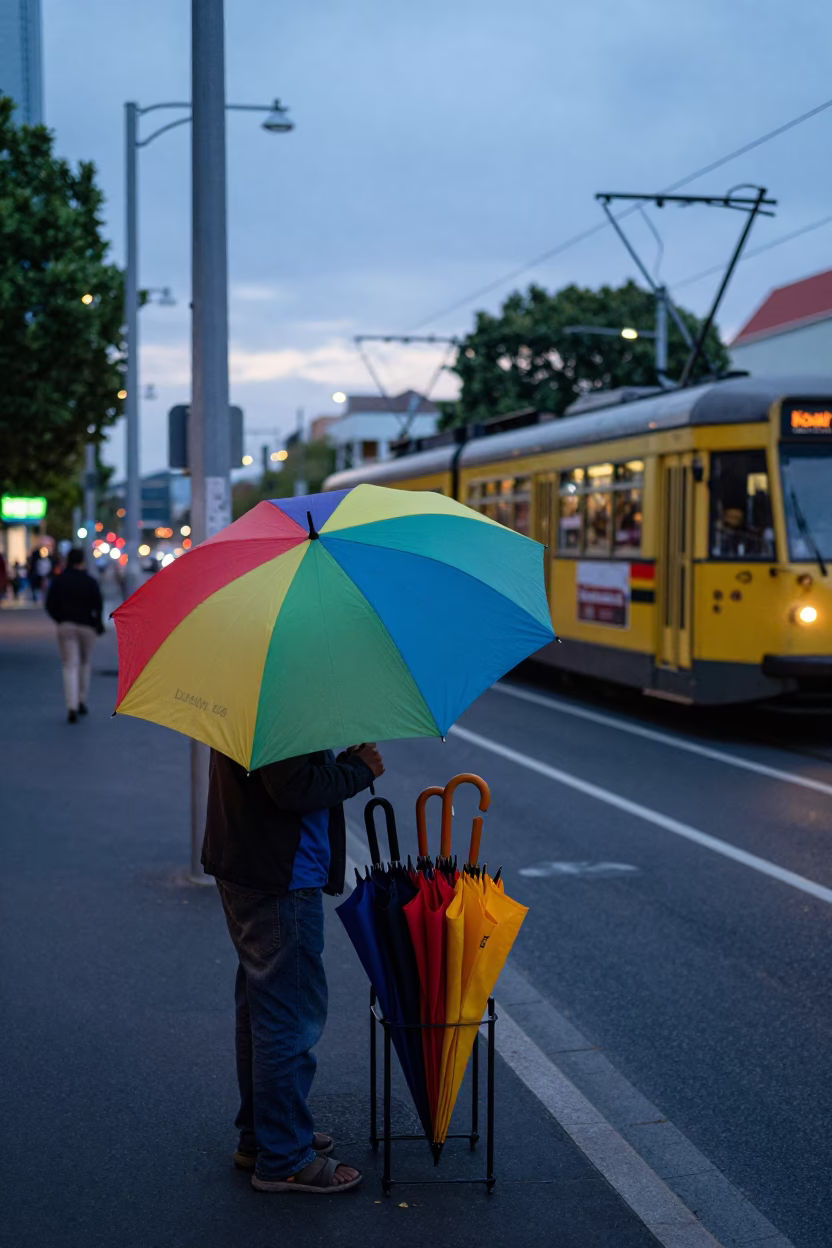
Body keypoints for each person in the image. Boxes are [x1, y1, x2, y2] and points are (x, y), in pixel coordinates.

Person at [202, 743, 385, 1194]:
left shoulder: (251, 688)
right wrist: (356, 770)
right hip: (280, 877)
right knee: (288, 1016)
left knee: (261, 1010)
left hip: (246, 862)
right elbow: (292, 787)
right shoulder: (285, 697)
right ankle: (284, 1156)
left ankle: (263, 1136)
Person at [45, 548, 104, 723]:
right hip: (87, 627)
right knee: (85, 663)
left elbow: (49, 604)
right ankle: (82, 700)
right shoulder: (90, 581)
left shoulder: (59, 581)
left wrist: (61, 619)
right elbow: (98, 604)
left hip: (66, 626)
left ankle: (71, 706)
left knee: (69, 665)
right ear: (82, 561)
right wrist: (97, 622)